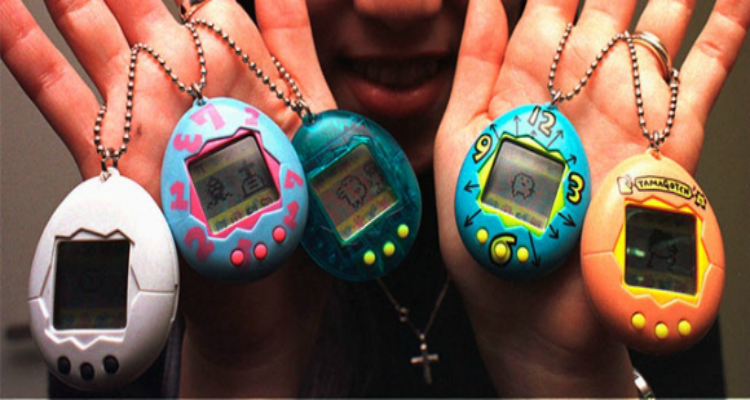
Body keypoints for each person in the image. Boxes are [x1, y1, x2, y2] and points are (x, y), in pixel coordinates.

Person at [1, 0, 748, 397]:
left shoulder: (629, 259)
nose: (401, 6)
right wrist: (241, 368)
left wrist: (569, 381)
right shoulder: (139, 264)